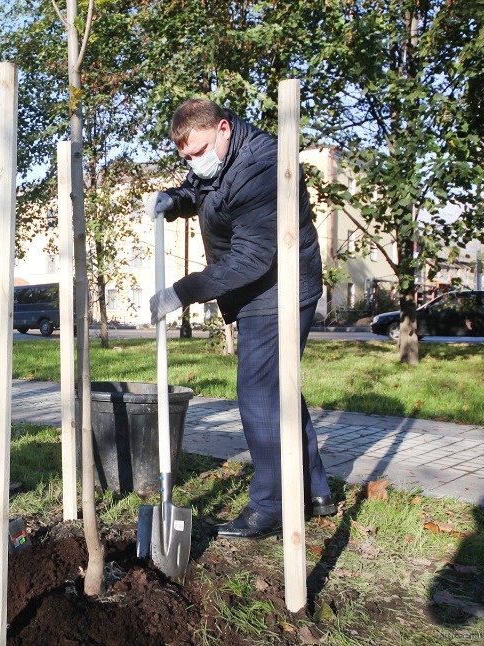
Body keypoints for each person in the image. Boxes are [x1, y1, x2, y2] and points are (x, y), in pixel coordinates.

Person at [150, 97, 337, 540]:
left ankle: (270, 506)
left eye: (197, 152)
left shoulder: (263, 166)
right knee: (279, 386)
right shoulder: (223, 156)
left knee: (258, 393)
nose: (193, 163)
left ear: (223, 129)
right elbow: (201, 188)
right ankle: (315, 490)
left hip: (278, 291)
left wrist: (182, 292)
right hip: (261, 290)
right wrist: (175, 200)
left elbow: (252, 259)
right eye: (185, 157)